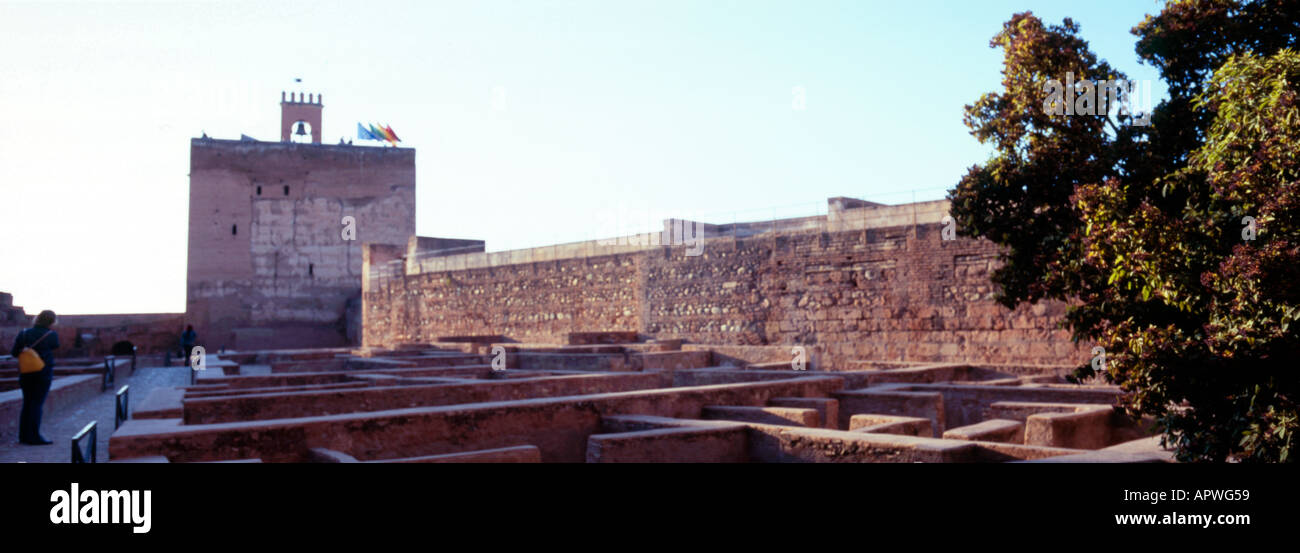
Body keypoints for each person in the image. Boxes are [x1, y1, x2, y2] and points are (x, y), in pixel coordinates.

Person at [9, 310, 59, 445]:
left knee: (27, 404)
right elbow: (55, 346)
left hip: (26, 373)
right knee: (37, 404)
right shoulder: (51, 335)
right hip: (43, 373)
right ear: (52, 321)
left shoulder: (24, 333)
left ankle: (23, 436)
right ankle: (34, 436)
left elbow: (14, 353)